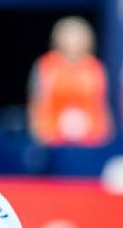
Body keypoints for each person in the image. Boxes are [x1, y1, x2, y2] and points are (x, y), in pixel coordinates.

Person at [28, 16, 112, 147]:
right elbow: (36, 102)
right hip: (53, 140)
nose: (73, 42)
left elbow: (101, 105)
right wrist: (39, 133)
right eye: (69, 36)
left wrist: (103, 134)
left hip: (89, 141)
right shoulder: (45, 66)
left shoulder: (95, 68)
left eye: (78, 37)